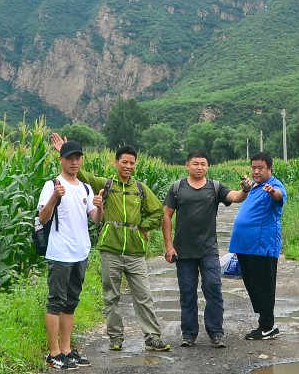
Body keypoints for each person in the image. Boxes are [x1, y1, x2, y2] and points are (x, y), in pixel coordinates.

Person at [96, 145, 170, 352]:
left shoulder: (140, 188)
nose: (128, 166)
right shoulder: (107, 185)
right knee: (111, 296)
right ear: (116, 163)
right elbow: (81, 175)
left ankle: (152, 337)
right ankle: (115, 338)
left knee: (144, 295)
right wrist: (62, 151)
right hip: (110, 249)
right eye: (124, 162)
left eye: (132, 163)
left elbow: (158, 212)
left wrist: (143, 227)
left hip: (135, 253)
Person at [36, 139, 102, 370]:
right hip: (60, 253)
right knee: (56, 302)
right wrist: (55, 196)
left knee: (71, 303)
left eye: (78, 158)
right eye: (69, 158)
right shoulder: (52, 185)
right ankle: (53, 353)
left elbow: (96, 219)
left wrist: (100, 205)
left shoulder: (84, 187)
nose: (74, 162)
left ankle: (66, 349)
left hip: (80, 252)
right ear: (61, 159)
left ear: (81, 160)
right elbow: (42, 218)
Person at [163, 149, 230, 347]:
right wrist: (168, 246)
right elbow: (166, 215)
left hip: (208, 250)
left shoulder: (215, 187)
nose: (199, 167)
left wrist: (245, 189)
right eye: (195, 164)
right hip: (183, 251)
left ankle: (216, 333)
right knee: (187, 293)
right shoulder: (177, 188)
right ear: (187, 166)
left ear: (208, 167)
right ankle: (189, 334)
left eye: (203, 164)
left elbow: (234, 197)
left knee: (213, 289)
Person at [226, 153, 287, 340]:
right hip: (245, 246)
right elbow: (244, 195)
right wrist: (245, 188)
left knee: (263, 286)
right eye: (253, 167)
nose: (256, 171)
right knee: (252, 285)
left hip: (262, 247)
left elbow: (278, 197)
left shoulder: (274, 186)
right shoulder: (254, 187)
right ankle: (265, 322)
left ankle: (268, 326)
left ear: (270, 169)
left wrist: (271, 192)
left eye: (261, 168)